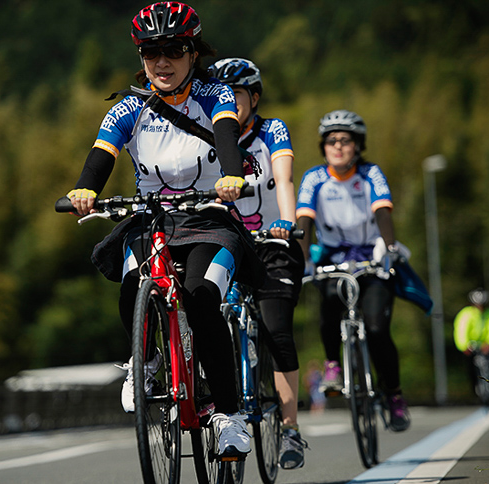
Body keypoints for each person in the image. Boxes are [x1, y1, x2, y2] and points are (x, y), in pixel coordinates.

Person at [65, 2, 264, 458]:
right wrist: (82, 190)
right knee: (135, 281)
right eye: (150, 52)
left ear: (192, 52)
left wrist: (231, 176)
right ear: (140, 59)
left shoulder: (215, 96)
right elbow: (101, 157)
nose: (162, 61)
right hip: (154, 219)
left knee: (200, 296)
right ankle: (145, 361)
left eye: (173, 49)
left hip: (211, 220)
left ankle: (229, 418)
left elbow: (228, 136)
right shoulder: (128, 108)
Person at [207, 57, 308, 469]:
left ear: (254, 96)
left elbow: (284, 178)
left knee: (276, 329)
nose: (228, 101)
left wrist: (288, 220)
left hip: (271, 243)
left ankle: (290, 429)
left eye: (237, 94)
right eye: (222, 94)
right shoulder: (206, 130)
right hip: (226, 240)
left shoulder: (271, 130)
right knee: (200, 305)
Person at [296, 109, 411, 432]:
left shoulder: (371, 173)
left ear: (357, 146)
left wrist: (388, 248)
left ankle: (395, 396)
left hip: (371, 255)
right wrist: (304, 260)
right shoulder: (314, 178)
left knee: (376, 328)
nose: (338, 146)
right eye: (331, 141)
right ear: (324, 147)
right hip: (333, 256)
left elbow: (383, 211)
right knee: (330, 303)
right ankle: (333, 363)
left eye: (345, 140)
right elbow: (303, 220)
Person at [453, 288, 489, 403]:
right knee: (471, 370)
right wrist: (464, 346)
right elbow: (461, 329)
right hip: (471, 347)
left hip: (487, 346)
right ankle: (476, 392)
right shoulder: (466, 313)